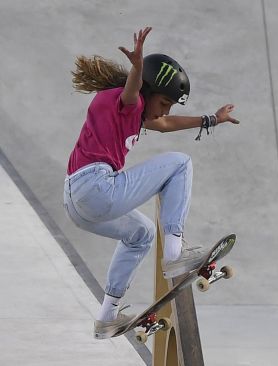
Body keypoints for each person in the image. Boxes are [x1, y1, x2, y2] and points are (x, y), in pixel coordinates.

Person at [62, 27, 239, 339]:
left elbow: (166, 123)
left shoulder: (134, 111)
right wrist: (138, 66)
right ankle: (174, 252)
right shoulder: (126, 101)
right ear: (148, 91)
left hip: (77, 203)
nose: (165, 111)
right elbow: (133, 92)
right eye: (165, 102)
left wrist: (211, 119)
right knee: (180, 163)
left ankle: (107, 315)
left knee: (141, 234)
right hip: (97, 187)